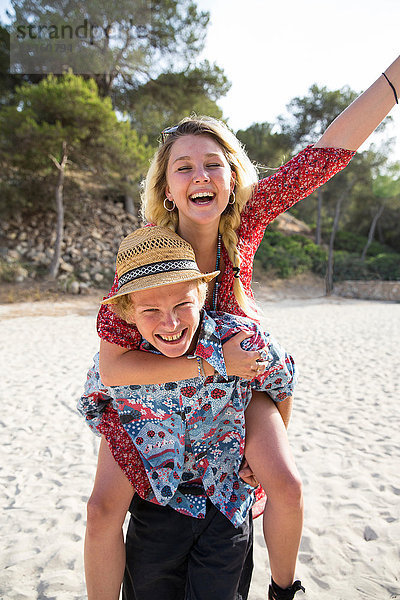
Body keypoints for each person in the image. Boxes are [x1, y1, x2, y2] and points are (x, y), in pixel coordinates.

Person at [82, 57, 400, 600]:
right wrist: (207, 364)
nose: (199, 176)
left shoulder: (244, 223)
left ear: (233, 176)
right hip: (158, 378)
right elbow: (112, 365)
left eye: (212, 164)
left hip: (238, 372)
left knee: (284, 481)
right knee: (101, 509)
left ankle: (282, 589)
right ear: (165, 187)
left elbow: (327, 154)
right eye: (183, 167)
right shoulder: (147, 251)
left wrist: (393, 81)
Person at [78, 225, 301, 600]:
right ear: (129, 313)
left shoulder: (239, 340)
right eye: (151, 310)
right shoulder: (124, 366)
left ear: (201, 295)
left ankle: (283, 590)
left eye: (182, 305)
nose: (171, 323)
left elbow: (281, 379)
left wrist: (258, 454)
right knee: (106, 522)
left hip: (224, 501)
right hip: (159, 501)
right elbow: (99, 408)